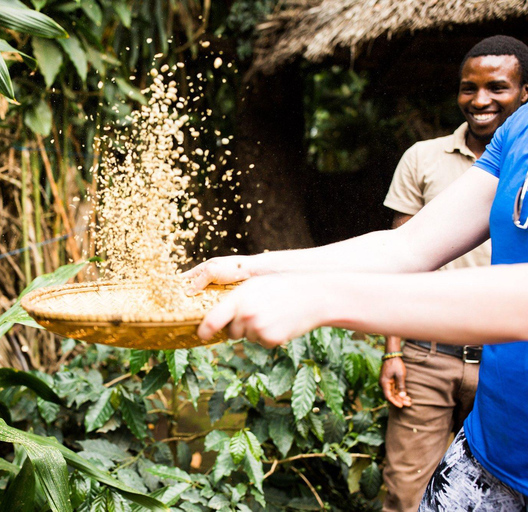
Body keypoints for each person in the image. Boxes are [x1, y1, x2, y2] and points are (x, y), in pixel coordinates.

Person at [185, 46, 528, 511]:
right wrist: (250, 267)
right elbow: (408, 247)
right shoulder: (518, 131)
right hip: (489, 453)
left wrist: (323, 298)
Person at [379, 35, 528, 512]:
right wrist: (392, 350)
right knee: (407, 490)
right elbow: (403, 257)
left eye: (498, 87)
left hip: (500, 358)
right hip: (433, 358)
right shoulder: (426, 158)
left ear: (524, 91)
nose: (480, 100)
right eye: (469, 88)